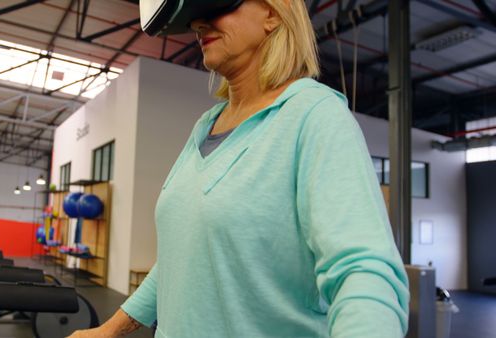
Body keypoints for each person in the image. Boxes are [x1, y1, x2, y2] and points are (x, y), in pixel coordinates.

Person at [69, 0, 409, 337]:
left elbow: (364, 273)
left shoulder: (315, 116)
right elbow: (180, 259)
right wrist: (108, 331)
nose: (198, 24)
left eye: (218, 6)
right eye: (194, 18)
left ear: (273, 14)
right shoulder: (205, 126)